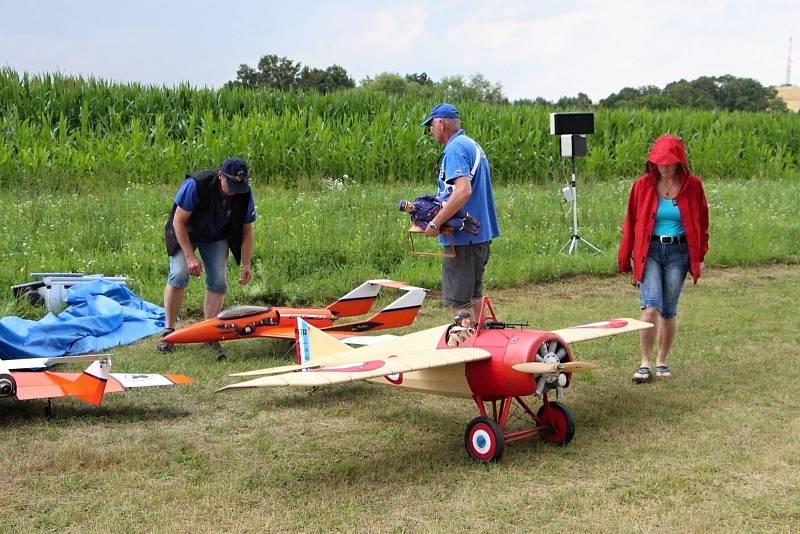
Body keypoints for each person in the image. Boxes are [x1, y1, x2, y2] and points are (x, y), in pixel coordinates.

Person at [617, 135, 709, 383]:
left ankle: (662, 361)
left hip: (679, 253)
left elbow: (702, 223)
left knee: (668, 311)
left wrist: (699, 256)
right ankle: (645, 362)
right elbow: (630, 222)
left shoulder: (694, 186)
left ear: (680, 162)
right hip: (651, 251)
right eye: (659, 162)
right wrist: (626, 255)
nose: (663, 167)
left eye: (668, 162)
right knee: (651, 307)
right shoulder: (642, 185)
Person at [157, 157, 256, 359]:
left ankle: (208, 334)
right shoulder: (196, 184)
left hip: (216, 235)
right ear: (220, 176)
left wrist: (246, 263)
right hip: (187, 231)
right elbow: (178, 221)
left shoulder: (243, 193)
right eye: (231, 184)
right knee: (178, 275)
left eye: (240, 185)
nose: (235, 190)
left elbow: (247, 230)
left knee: (218, 282)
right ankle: (168, 331)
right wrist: (189, 255)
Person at [421, 103, 500, 321]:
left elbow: (464, 191)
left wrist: (435, 223)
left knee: (459, 305)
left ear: (441, 123)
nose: (431, 130)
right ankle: (486, 344)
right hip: (480, 236)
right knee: (474, 298)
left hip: (463, 239)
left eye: (431, 125)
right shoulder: (472, 145)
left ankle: (463, 348)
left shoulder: (455, 148)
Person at [398, 195, 481, 236]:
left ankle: (472, 220)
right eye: (406, 208)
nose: (409, 206)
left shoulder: (419, 200)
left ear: (408, 201)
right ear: (406, 211)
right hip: (441, 219)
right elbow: (427, 228)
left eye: (407, 203)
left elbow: (433, 197)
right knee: (454, 224)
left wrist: (442, 202)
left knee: (457, 210)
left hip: (442, 207)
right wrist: (435, 226)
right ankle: (469, 230)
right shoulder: (416, 219)